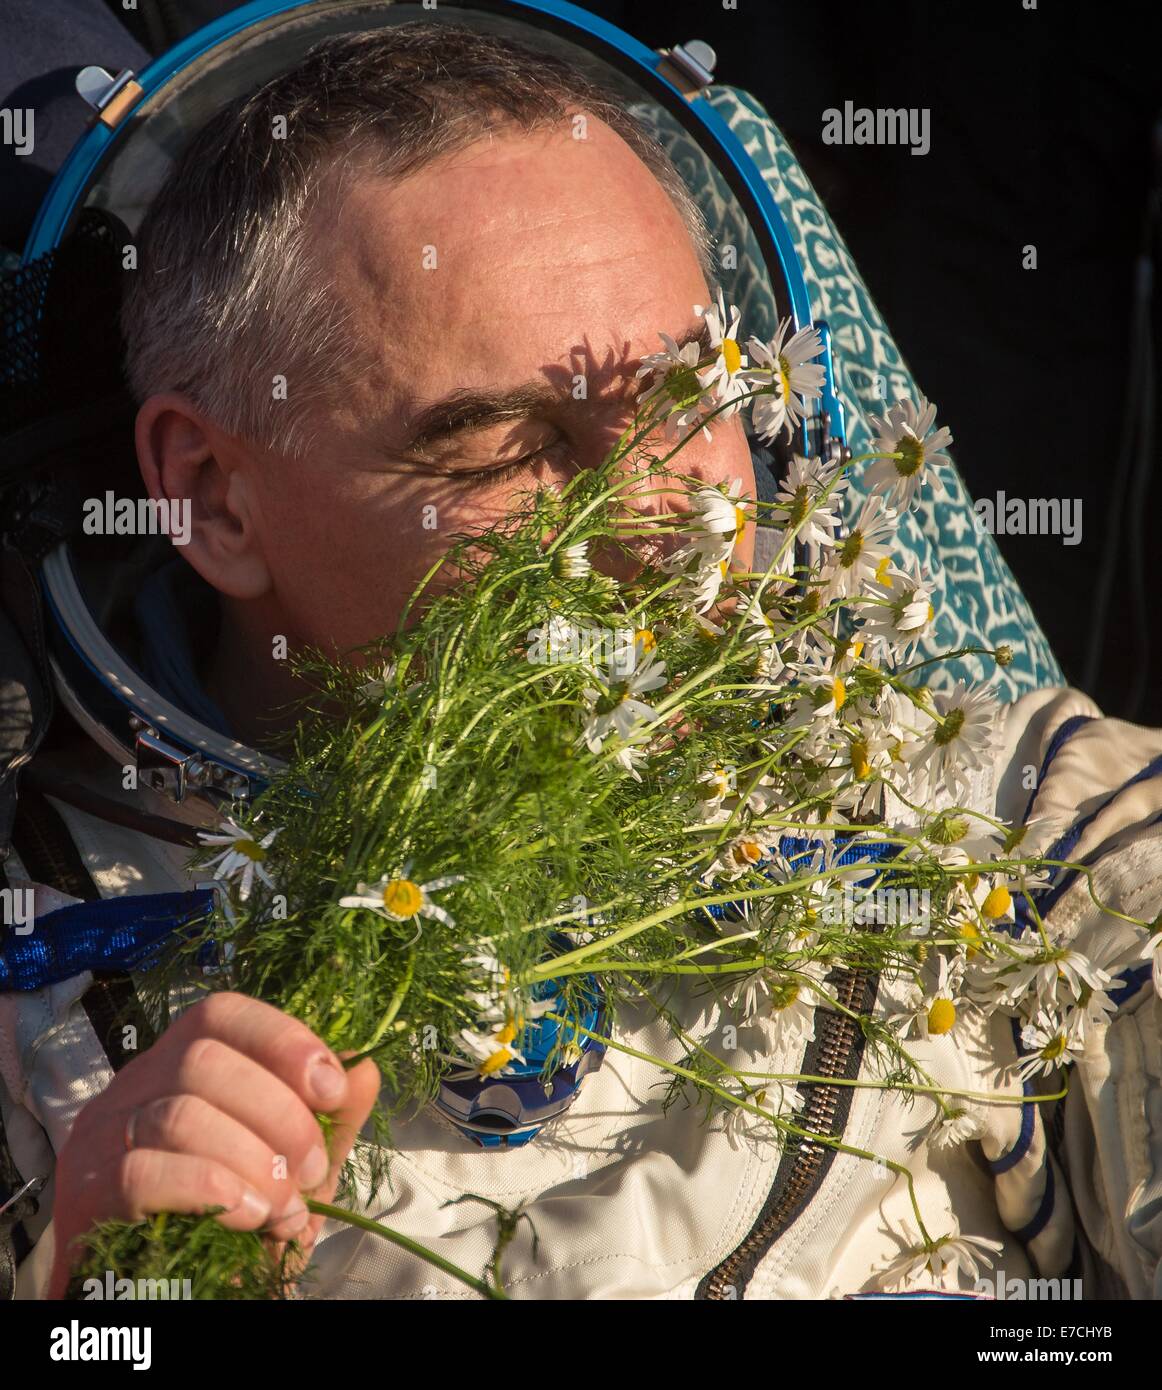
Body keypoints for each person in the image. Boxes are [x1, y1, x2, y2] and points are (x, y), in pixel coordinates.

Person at [3, 23, 1160, 1302]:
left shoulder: (1016, 828)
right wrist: (95, 1303)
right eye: (512, 445)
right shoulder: (41, 985)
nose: (663, 521)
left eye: (688, 401)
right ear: (214, 496)